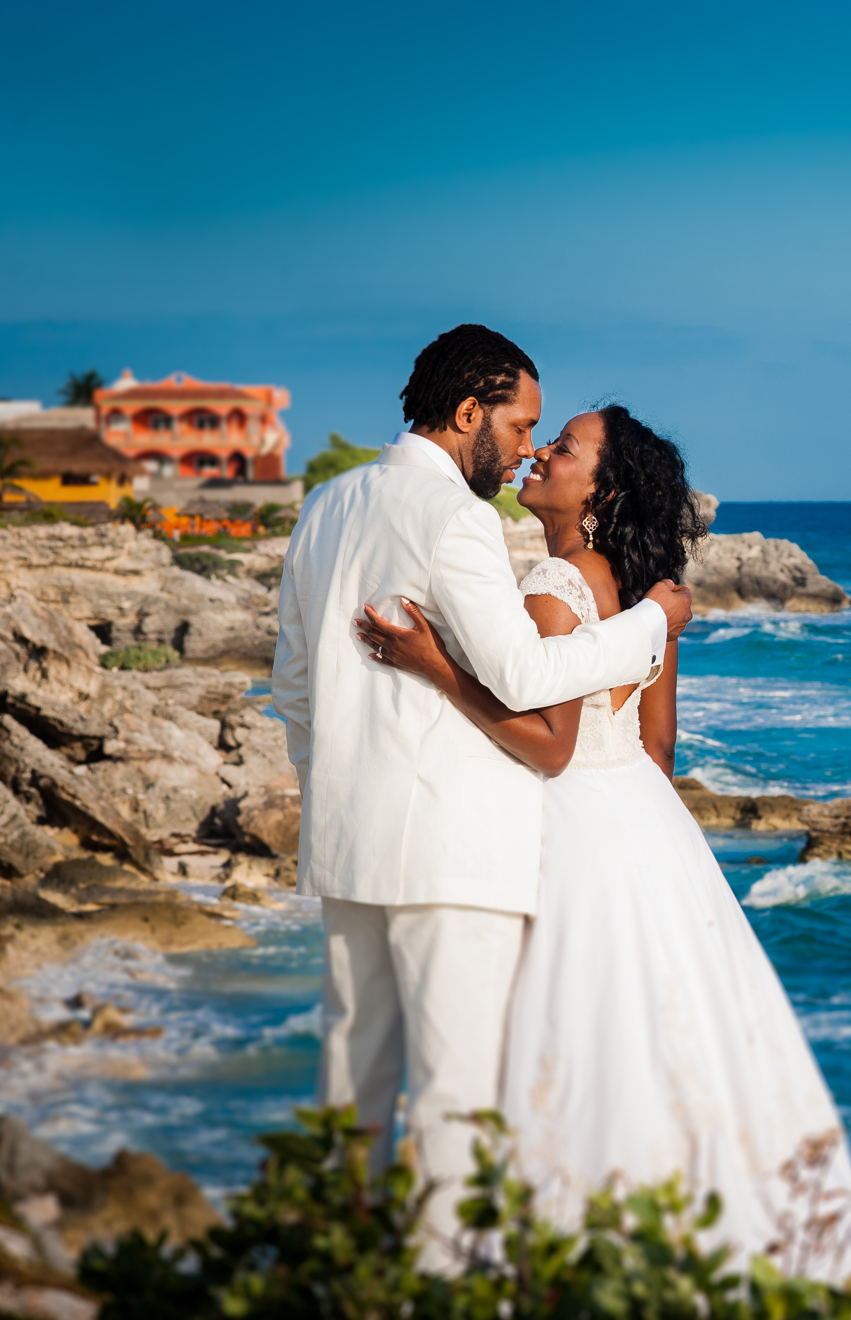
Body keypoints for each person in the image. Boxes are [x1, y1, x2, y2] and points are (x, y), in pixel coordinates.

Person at [357, 405, 851, 1295]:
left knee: (569, 1041)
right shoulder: (640, 584)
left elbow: (549, 745)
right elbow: (658, 749)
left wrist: (434, 666)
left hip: (573, 826)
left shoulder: (555, 583)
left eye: (562, 447)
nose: (539, 452)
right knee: (673, 1040)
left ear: (599, 489)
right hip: (650, 830)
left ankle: (562, 1259)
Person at [271, 327, 694, 1267]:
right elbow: (519, 670)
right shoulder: (454, 517)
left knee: (352, 1080)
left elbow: (294, 689)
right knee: (459, 1097)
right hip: (455, 850)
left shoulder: (327, 505)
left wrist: (337, 781)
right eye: (521, 423)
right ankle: (443, 1286)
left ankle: (343, 1271)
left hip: (348, 841)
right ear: (469, 416)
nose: (525, 446)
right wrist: (647, 629)